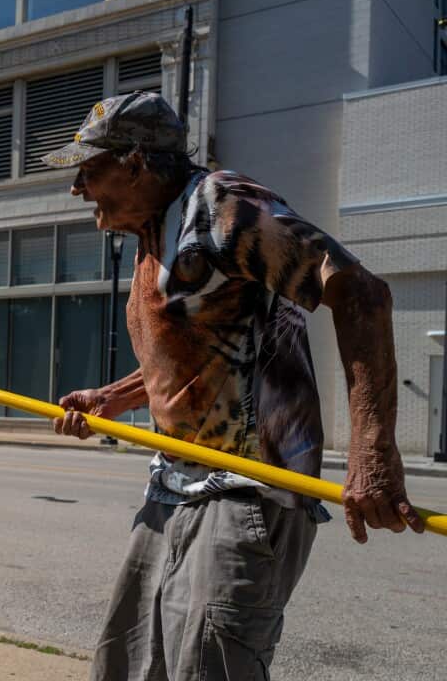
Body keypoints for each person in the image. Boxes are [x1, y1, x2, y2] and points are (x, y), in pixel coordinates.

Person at [42, 91, 423, 680]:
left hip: (246, 494)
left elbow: (361, 293)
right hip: (173, 487)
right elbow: (200, 352)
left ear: (136, 163)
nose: (78, 189)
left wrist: (373, 453)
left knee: (207, 669)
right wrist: (110, 398)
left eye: (90, 172)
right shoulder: (151, 236)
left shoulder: (220, 205)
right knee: (126, 663)